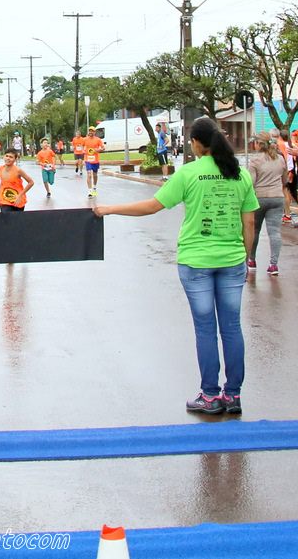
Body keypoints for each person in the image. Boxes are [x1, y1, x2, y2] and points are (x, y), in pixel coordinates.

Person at [94, 117, 259, 415]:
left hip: (196, 261)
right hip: (232, 260)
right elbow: (249, 222)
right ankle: (233, 395)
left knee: (206, 329)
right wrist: (246, 258)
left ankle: (210, 396)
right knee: (232, 328)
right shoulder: (240, 174)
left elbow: (152, 206)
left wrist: (110, 209)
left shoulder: (189, 173)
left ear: (196, 143)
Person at [245, 135, 285, 275]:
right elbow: (285, 180)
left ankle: (252, 259)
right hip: (277, 197)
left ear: (257, 144)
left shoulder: (255, 161)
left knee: (255, 230)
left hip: (259, 198)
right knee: (274, 231)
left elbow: (251, 182)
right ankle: (273, 265)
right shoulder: (280, 159)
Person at [82, 126, 105, 197]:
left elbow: (103, 148)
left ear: (94, 132)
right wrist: (83, 151)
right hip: (88, 160)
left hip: (95, 160)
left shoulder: (98, 140)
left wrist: (97, 150)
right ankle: (90, 191)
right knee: (89, 174)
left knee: (95, 175)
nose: (90, 132)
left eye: (92, 131)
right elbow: (81, 147)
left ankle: (94, 187)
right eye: (90, 131)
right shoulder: (85, 139)